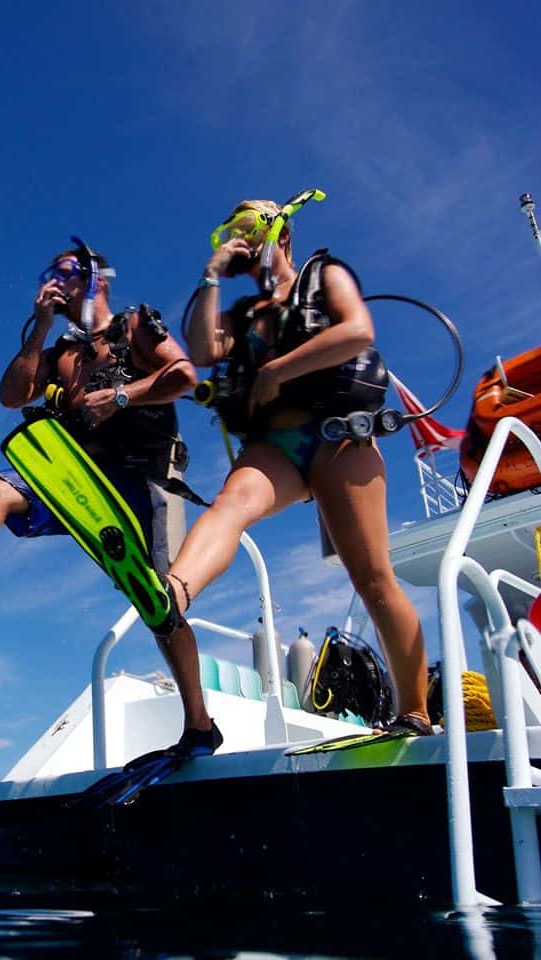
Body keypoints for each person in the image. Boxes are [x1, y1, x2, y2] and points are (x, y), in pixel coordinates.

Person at [153, 199, 431, 740]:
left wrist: (279, 369)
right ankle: (172, 592)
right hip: (275, 446)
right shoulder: (246, 313)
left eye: (250, 223)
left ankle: (416, 712)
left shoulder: (324, 275)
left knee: (372, 579)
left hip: (338, 437)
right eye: (231, 229)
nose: (241, 235)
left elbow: (357, 331)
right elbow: (206, 351)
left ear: (280, 228)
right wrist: (211, 275)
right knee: (230, 504)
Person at [0, 241, 199, 621]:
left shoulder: (134, 326)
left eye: (66, 272)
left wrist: (121, 397)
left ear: (96, 281)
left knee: (160, 608)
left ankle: (188, 681)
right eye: (52, 275)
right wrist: (40, 326)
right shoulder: (62, 352)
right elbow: (10, 396)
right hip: (82, 481)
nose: (56, 281)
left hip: (142, 481)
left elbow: (183, 375)